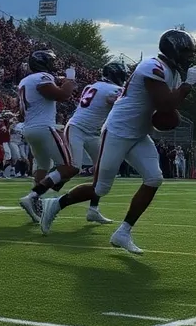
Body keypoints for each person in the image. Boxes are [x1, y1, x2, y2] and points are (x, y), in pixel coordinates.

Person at [41, 30, 196, 254]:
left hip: (139, 134)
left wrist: (174, 107)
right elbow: (165, 104)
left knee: (154, 178)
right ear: (173, 50)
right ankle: (56, 204)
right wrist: (188, 85)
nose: (188, 57)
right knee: (100, 188)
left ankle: (123, 232)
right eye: (185, 52)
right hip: (118, 131)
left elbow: (168, 108)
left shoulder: (172, 72)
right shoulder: (152, 66)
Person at [21, 60, 124, 225]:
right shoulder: (115, 89)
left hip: (91, 132)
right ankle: (34, 195)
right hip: (77, 129)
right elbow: (115, 101)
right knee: (72, 167)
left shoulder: (93, 85)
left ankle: (93, 210)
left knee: (102, 170)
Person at [16, 50, 77, 217]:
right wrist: (69, 82)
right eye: (50, 61)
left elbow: (21, 112)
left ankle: (36, 205)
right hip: (44, 127)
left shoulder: (25, 81)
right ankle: (33, 196)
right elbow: (62, 95)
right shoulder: (42, 77)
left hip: (29, 128)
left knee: (43, 167)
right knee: (70, 167)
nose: (53, 64)